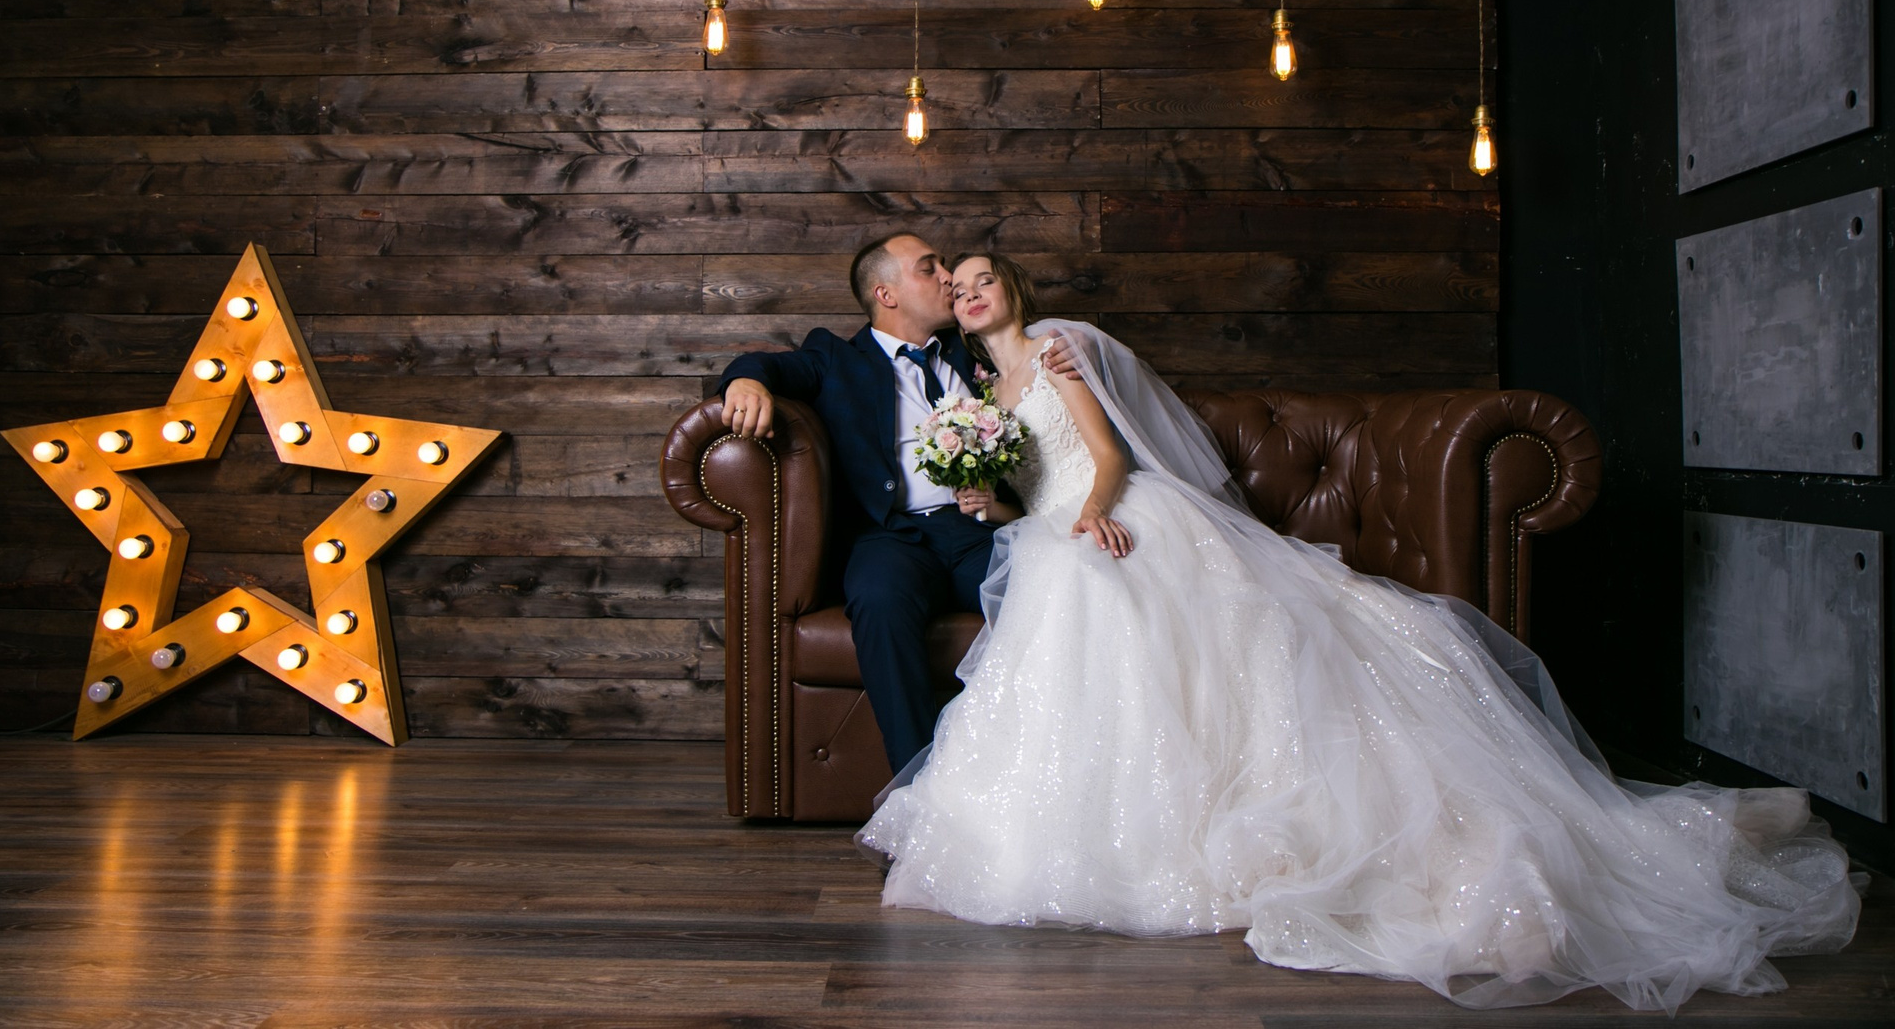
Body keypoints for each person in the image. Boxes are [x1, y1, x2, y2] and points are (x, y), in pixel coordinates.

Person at [858, 253, 1864, 1014]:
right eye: (960, 284)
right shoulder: (979, 394)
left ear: (1016, 291)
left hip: (1109, 518)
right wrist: (991, 502)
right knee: (1060, 616)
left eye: (987, 279)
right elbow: (1014, 487)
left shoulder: (1058, 350)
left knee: (1121, 602)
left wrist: (1090, 514)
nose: (971, 291)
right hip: (1044, 532)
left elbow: (1109, 455)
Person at [718, 233, 1005, 773]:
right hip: (891, 538)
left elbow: (1028, 351)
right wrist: (746, 382)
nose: (949, 277)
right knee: (878, 598)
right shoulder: (837, 358)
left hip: (977, 530)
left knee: (1044, 588)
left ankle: (1028, 773)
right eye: (929, 268)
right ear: (886, 294)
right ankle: (920, 787)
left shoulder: (973, 348)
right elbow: (765, 364)